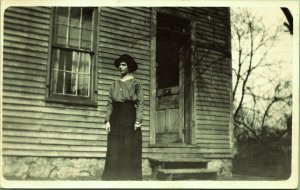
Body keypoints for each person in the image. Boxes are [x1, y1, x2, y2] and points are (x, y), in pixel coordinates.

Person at [102, 54, 144, 181]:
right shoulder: (114, 84)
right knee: (115, 147)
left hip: (129, 116)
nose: (120, 67)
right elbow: (110, 103)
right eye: (119, 65)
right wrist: (107, 120)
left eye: (123, 64)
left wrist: (138, 120)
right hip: (116, 118)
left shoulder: (136, 83)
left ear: (129, 66)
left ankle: (129, 179)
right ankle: (113, 178)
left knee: (129, 147)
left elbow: (140, 102)